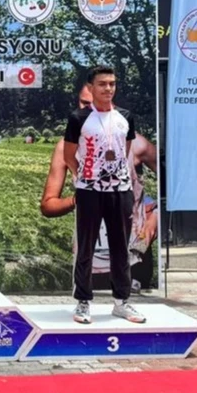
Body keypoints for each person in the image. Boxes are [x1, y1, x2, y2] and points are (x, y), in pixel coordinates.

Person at [40, 83, 159, 290]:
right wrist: (77, 200)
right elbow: (47, 206)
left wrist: (154, 217)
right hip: (91, 262)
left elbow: (174, 186)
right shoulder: (65, 147)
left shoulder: (137, 144)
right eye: (85, 103)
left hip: (133, 260)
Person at [63, 65, 146, 324]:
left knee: (121, 247)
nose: (108, 88)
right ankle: (83, 302)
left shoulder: (125, 117)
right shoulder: (79, 118)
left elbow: (125, 151)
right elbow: (69, 155)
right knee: (86, 247)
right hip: (89, 192)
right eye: (102, 84)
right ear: (91, 87)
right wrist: (82, 176)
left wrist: (117, 177)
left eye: (112, 83)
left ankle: (121, 302)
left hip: (120, 191)